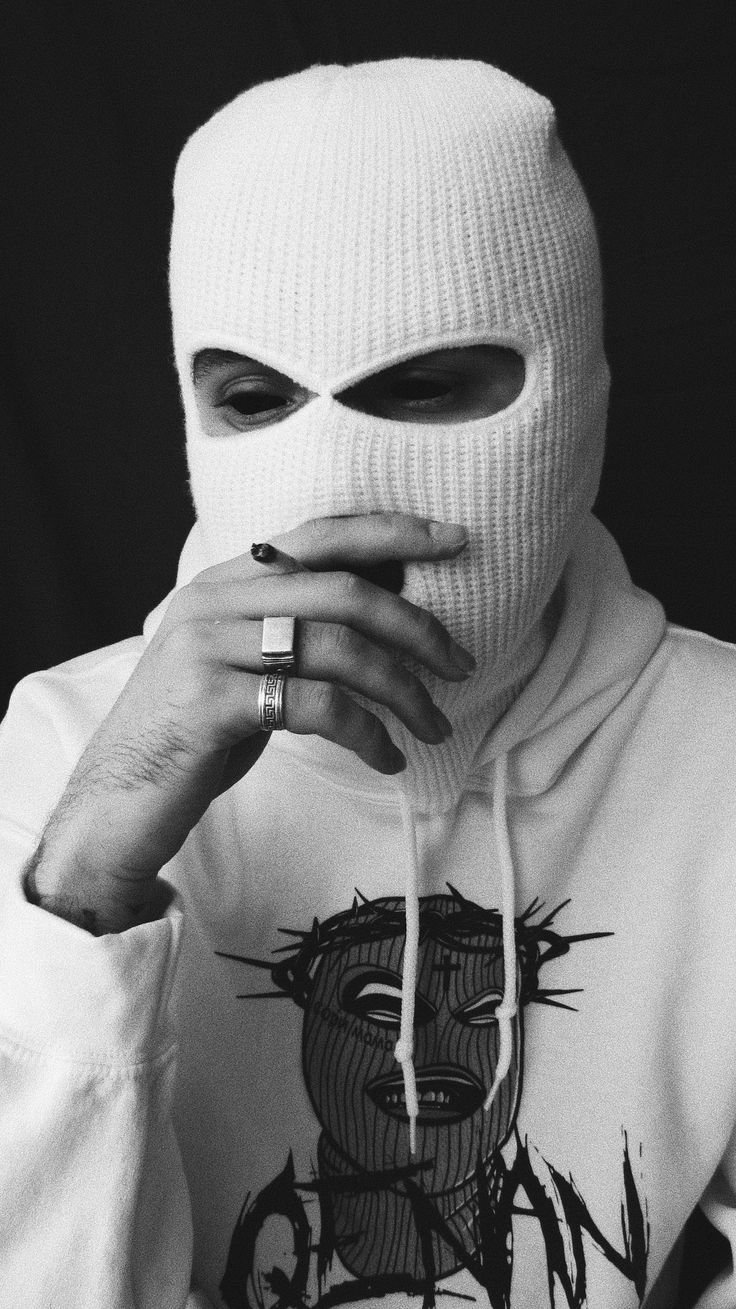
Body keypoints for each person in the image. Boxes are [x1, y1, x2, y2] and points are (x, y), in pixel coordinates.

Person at [0, 56, 733, 1309]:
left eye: (423, 386)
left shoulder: (717, 750)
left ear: (572, 389)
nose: (340, 476)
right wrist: (83, 892)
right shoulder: (66, 745)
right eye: (258, 399)